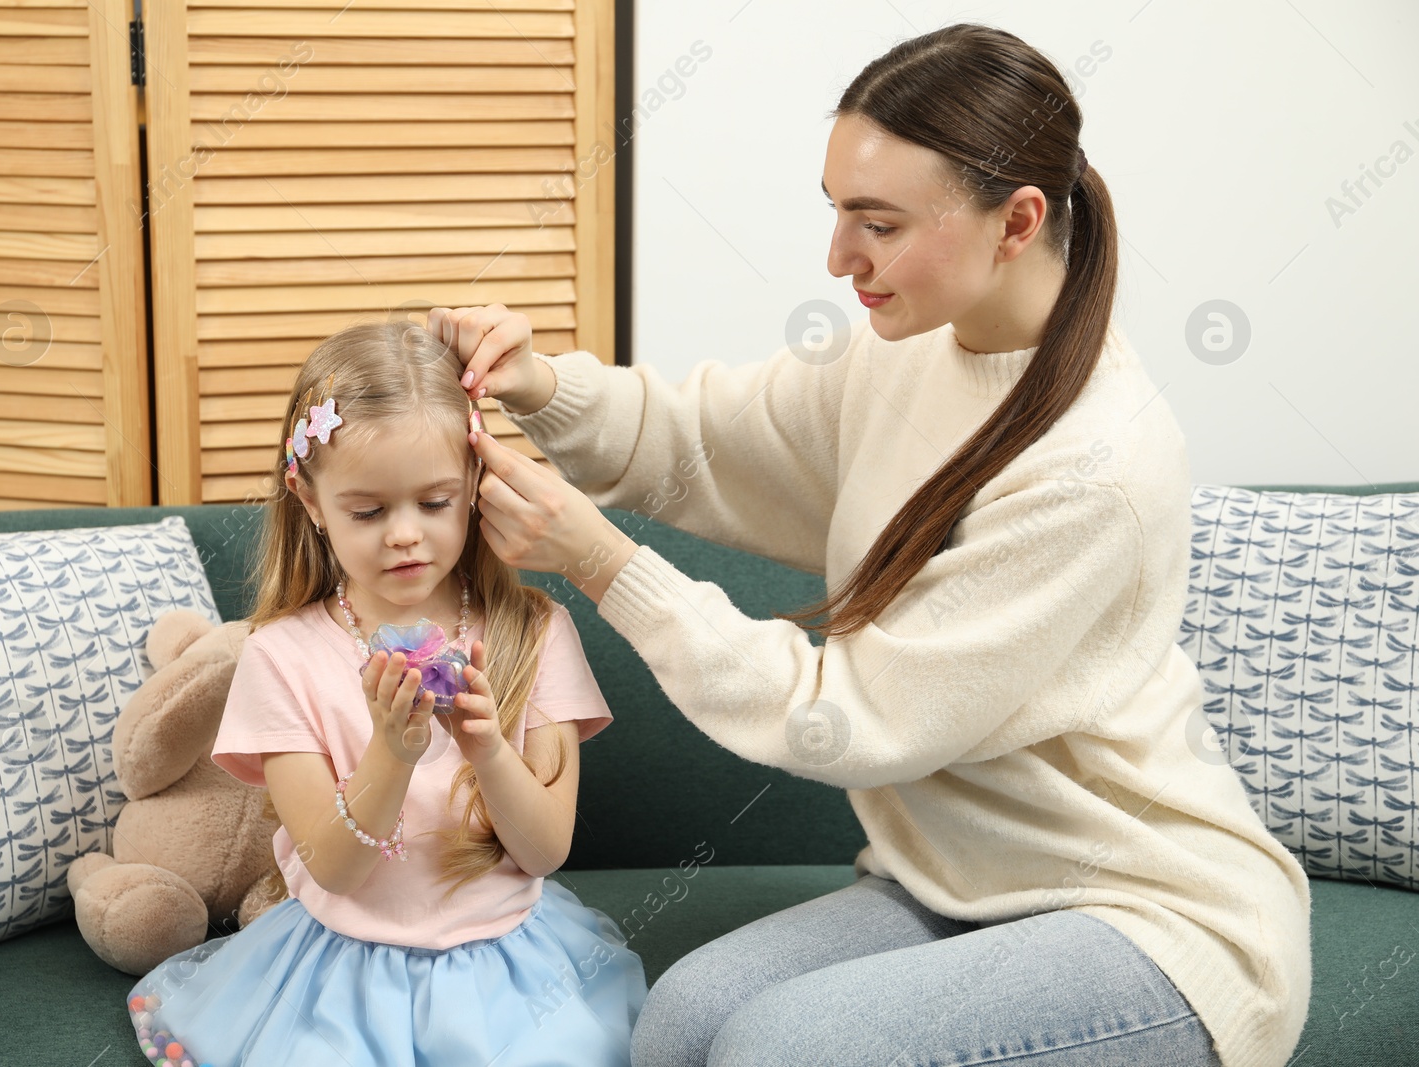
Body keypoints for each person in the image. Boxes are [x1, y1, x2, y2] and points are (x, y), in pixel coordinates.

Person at [429, 21, 1311, 1067]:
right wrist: (543, 382)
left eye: (877, 223)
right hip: (954, 886)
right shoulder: (910, 352)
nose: (840, 258)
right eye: (837, 211)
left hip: (1146, 916)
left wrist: (600, 558)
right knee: (679, 1019)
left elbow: (847, 716)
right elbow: (708, 435)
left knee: (775, 1048)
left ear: (1016, 220)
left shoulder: (1094, 469)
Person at [123, 320, 649, 1067]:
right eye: (368, 511)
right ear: (309, 499)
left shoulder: (535, 630)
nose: (405, 535)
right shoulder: (279, 656)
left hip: (508, 968)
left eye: (434, 502)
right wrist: (391, 754)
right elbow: (334, 869)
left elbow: (545, 850)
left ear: (472, 482)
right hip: (339, 973)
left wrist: (488, 748)